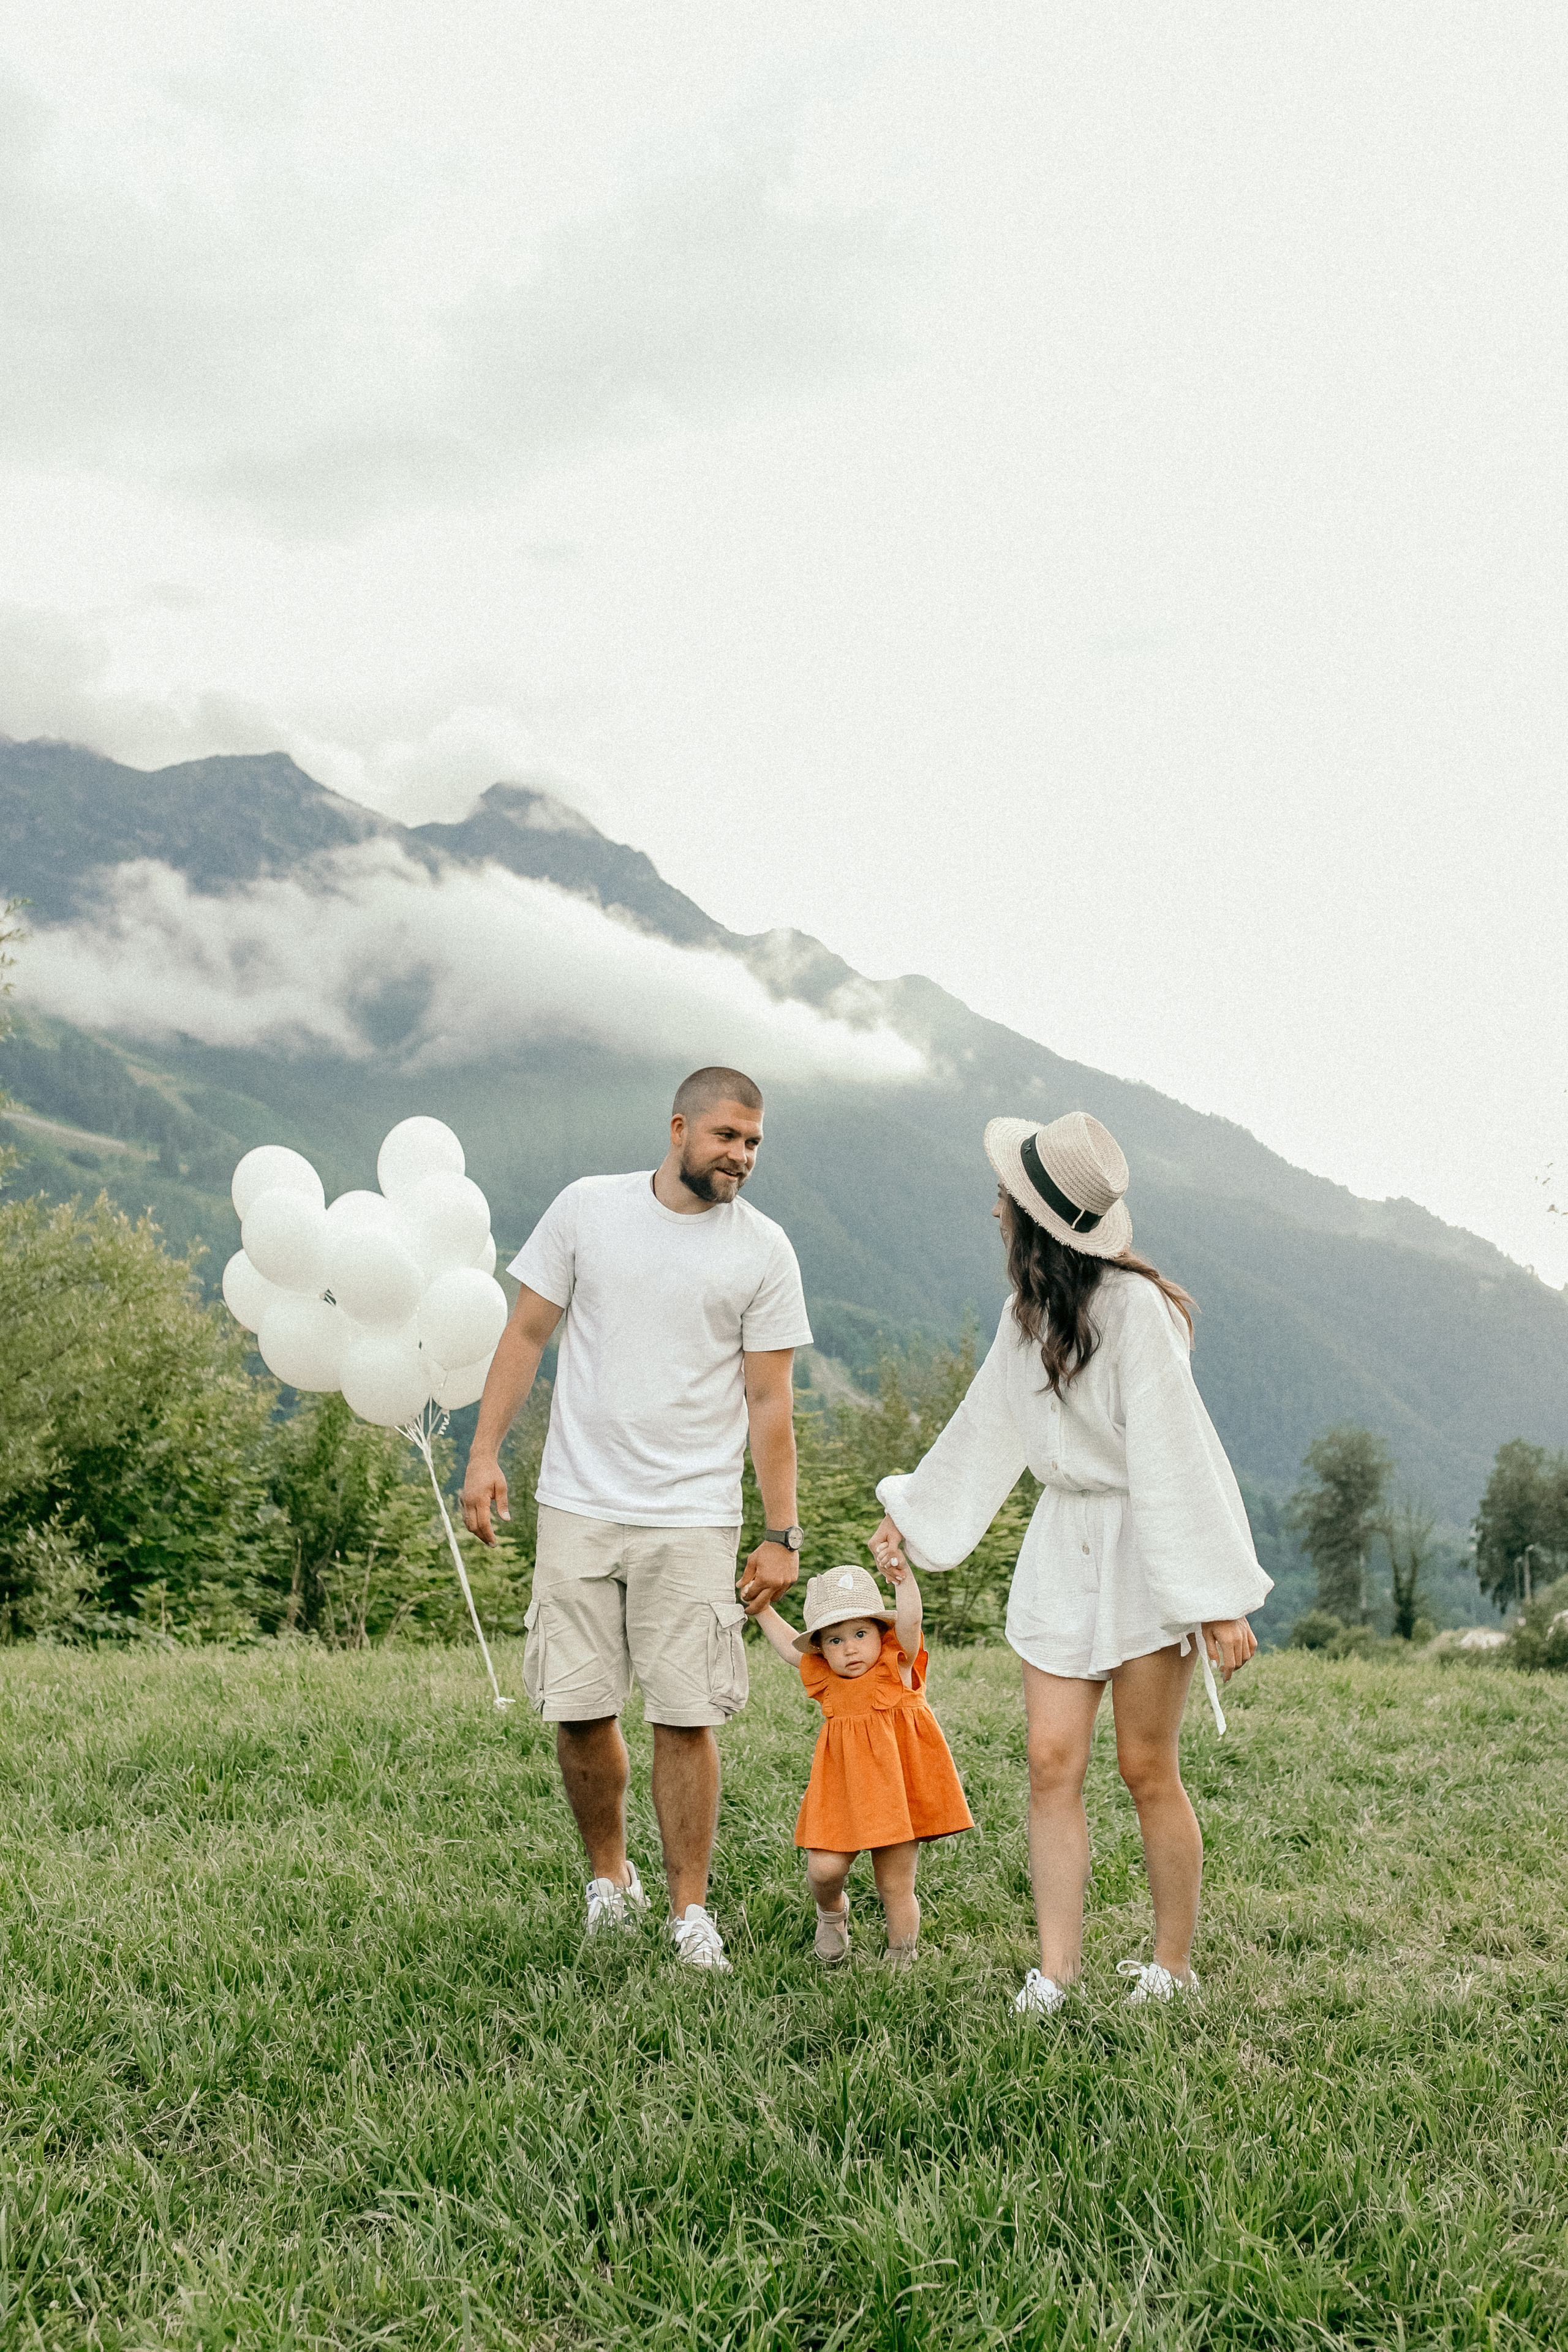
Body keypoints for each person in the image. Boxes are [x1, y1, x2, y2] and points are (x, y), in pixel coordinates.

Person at [868, 1110, 1272, 2016]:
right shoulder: (1025, 1317)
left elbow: (1179, 1452)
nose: (994, 1208)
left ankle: (1172, 1966)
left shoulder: (1139, 1313)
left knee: (1144, 1767)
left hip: (1145, 1548)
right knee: (1050, 1762)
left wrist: (1214, 1597)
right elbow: (984, 1431)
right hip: (1062, 1547)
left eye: (1005, 1196)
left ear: (1031, 1219)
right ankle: (1055, 1973)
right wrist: (912, 1521)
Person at [460, 1066, 812, 1972]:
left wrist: (782, 1534)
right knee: (578, 1710)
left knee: (686, 1716)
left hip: (694, 1514)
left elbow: (769, 1401)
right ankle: (609, 1884)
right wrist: (483, 1454)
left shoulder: (764, 1249)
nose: (741, 1156)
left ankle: (691, 1912)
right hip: (577, 1500)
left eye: (754, 1143)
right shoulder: (587, 1210)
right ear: (679, 1128)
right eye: (728, 1137)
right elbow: (526, 1334)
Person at [754, 1560, 973, 1966]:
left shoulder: (898, 1666)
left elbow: (912, 1620)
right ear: (821, 1649)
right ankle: (832, 1915)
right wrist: (763, 1610)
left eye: (859, 1633)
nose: (850, 1648)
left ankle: (900, 1954)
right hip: (843, 1791)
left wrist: (904, 1580)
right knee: (823, 1870)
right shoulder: (827, 1679)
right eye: (835, 1640)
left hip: (896, 1796)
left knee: (895, 1884)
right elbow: (790, 1648)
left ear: (880, 1633)